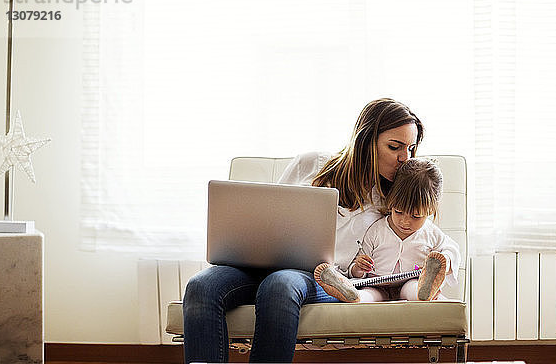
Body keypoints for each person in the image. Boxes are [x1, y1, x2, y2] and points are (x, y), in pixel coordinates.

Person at [182, 98, 424, 363]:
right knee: (201, 286)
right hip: (262, 263)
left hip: (323, 279)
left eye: (411, 149)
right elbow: (270, 212)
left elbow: (417, 238)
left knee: (280, 284)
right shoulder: (313, 163)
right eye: (395, 147)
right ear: (366, 142)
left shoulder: (393, 200)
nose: (405, 158)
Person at [314, 157, 461, 303]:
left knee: (414, 289)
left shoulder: (431, 233)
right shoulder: (376, 230)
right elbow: (357, 264)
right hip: (376, 284)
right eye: (398, 211)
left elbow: (451, 249)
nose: (405, 221)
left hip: (410, 281)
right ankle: (349, 293)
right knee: (368, 295)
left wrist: (445, 261)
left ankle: (424, 291)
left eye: (416, 216)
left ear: (431, 210)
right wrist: (358, 268)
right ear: (390, 201)